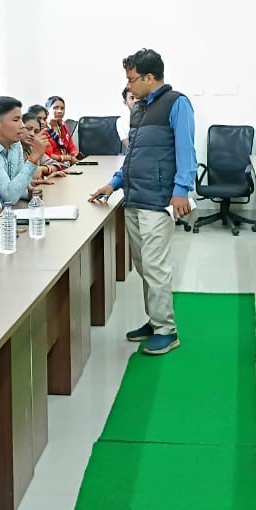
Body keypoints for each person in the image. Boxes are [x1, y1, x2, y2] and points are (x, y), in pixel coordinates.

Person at [90, 48, 196, 356]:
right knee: (143, 265)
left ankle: (167, 329)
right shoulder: (138, 110)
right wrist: (113, 184)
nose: (129, 86)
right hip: (134, 196)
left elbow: (186, 151)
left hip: (159, 198)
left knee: (155, 266)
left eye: (132, 79)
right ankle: (154, 320)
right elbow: (133, 157)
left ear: (150, 77)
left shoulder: (177, 103)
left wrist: (181, 190)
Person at [0, 96, 47, 204]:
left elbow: (17, 184)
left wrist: (29, 192)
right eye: (16, 120)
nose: (22, 125)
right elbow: (9, 197)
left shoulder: (15, 144)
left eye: (21, 119)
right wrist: (33, 159)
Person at [23, 110, 70, 178]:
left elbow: (58, 165)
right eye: (28, 129)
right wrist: (46, 178)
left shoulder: (33, 148)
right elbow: (26, 180)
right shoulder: (14, 150)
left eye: (36, 132)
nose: (32, 134)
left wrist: (44, 169)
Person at [45, 96, 80, 162]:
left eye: (62, 108)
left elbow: (71, 146)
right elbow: (48, 155)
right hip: (52, 164)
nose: (59, 111)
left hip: (66, 163)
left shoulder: (63, 126)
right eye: (55, 108)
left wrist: (75, 154)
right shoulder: (43, 128)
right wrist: (68, 158)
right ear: (47, 109)